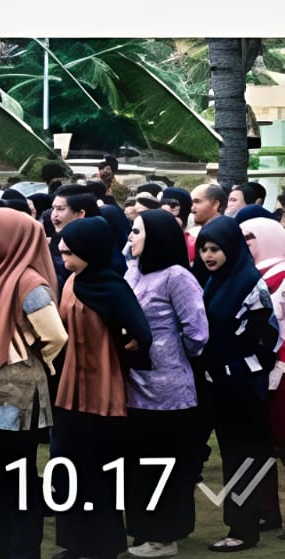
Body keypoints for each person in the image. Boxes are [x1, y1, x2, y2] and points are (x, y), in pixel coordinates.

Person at [0, 207, 67, 559]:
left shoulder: (28, 281)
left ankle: (22, 549)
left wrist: (26, 354)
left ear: (12, 239)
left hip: (16, 395)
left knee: (17, 478)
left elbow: (55, 335)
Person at [52, 216, 153, 559]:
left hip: (103, 393)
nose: (63, 258)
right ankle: (75, 542)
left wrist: (121, 349)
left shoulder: (112, 285)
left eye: (69, 253)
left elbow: (142, 333)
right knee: (69, 469)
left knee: (99, 472)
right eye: (62, 252)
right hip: (68, 390)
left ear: (90, 250)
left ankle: (104, 544)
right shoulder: (71, 282)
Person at [123, 209, 208, 558]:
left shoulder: (177, 277)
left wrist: (164, 350)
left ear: (156, 237)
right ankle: (145, 531)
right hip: (133, 385)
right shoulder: (132, 271)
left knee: (167, 468)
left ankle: (166, 536)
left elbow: (198, 333)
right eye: (130, 230)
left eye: (137, 231)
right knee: (139, 468)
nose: (130, 237)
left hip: (170, 392)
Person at [193, 216, 281, 553]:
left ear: (231, 248)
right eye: (203, 249)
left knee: (243, 458)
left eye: (215, 248)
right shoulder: (213, 281)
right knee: (233, 456)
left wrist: (231, 370)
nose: (208, 255)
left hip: (243, 389)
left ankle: (243, 531)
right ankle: (243, 524)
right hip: (218, 387)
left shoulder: (249, 284)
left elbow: (266, 341)